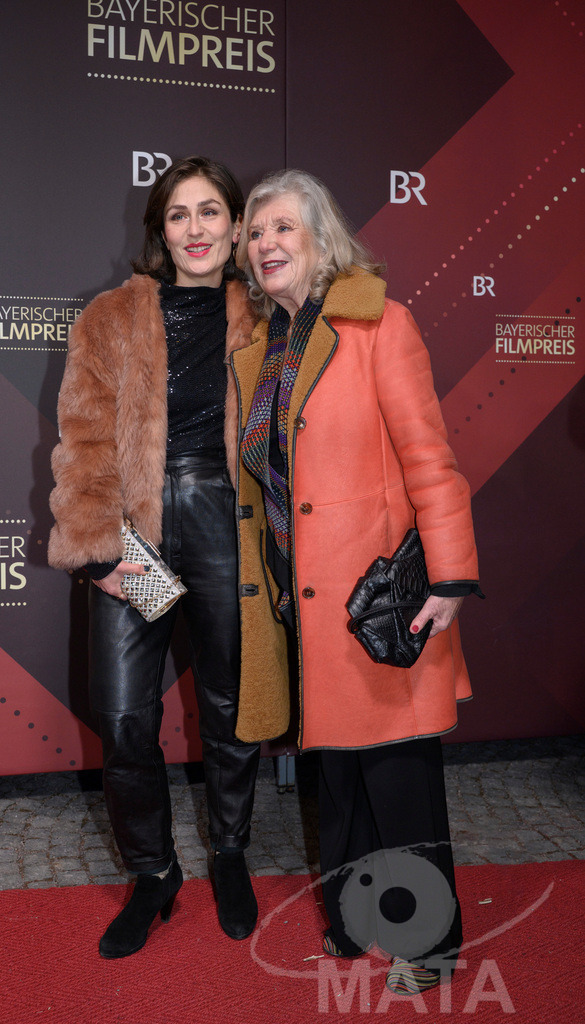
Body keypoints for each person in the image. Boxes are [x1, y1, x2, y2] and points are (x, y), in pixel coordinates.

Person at [230, 169, 483, 995]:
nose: (265, 243)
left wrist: (447, 579)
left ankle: (429, 943)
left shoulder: (379, 325)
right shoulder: (261, 351)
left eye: (282, 229)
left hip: (376, 602)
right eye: (255, 232)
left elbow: (429, 459)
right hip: (297, 607)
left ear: (320, 238)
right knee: (333, 773)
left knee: (396, 778)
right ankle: (351, 922)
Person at [48, 156, 261, 959]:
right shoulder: (108, 317)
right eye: (180, 214)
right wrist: (96, 545)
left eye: (211, 212)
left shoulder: (265, 317)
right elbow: (84, 438)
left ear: (235, 226)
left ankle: (231, 849)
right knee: (123, 712)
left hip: (225, 520)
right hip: (131, 528)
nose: (196, 229)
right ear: (159, 230)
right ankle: (154, 871)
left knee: (231, 704)